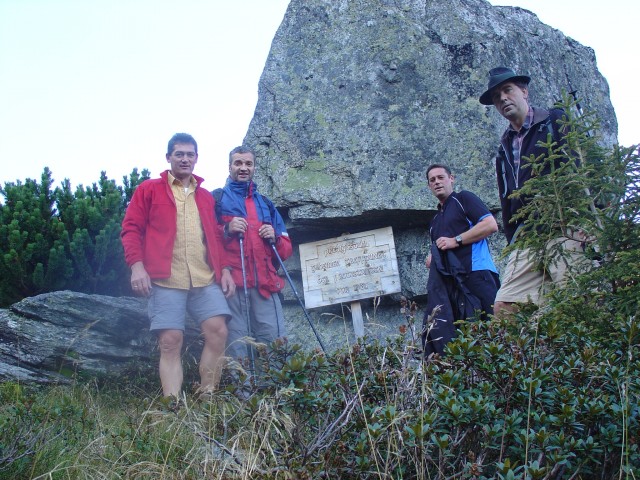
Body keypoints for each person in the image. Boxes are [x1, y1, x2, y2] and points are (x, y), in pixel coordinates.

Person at [121, 133, 235, 401]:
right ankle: (173, 406)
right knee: (170, 342)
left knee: (219, 331)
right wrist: (136, 266)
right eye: (179, 154)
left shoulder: (206, 197)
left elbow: (216, 237)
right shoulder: (148, 189)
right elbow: (130, 229)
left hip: (204, 278)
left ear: (196, 158)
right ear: (168, 157)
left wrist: (226, 269)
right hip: (165, 279)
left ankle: (207, 397)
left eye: (190, 154)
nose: (185, 159)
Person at [480, 67, 586, 316]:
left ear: (524, 91)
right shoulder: (504, 146)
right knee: (505, 307)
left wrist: (586, 220)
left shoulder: (554, 121)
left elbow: (579, 167)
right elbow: (506, 197)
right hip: (527, 234)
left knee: (577, 298)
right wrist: (512, 238)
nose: (503, 99)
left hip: (563, 223)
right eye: (497, 97)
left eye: (508, 90)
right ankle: (524, 355)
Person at [213, 146, 293, 367]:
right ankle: (243, 398)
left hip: (265, 287)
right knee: (237, 345)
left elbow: (286, 249)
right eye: (238, 163)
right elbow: (206, 241)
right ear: (229, 166)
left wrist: (275, 238)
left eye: (248, 164)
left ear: (254, 167)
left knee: (276, 343)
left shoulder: (266, 204)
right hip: (232, 288)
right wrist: (226, 230)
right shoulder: (216, 200)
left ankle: (277, 398)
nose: (243, 168)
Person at [423, 164, 500, 357]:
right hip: (455, 286)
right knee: (464, 337)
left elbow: (490, 225)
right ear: (428, 186)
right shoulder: (434, 222)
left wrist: (456, 240)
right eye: (432, 180)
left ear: (451, 178)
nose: (437, 182)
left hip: (478, 274)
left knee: (492, 328)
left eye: (441, 177)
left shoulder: (463, 199)